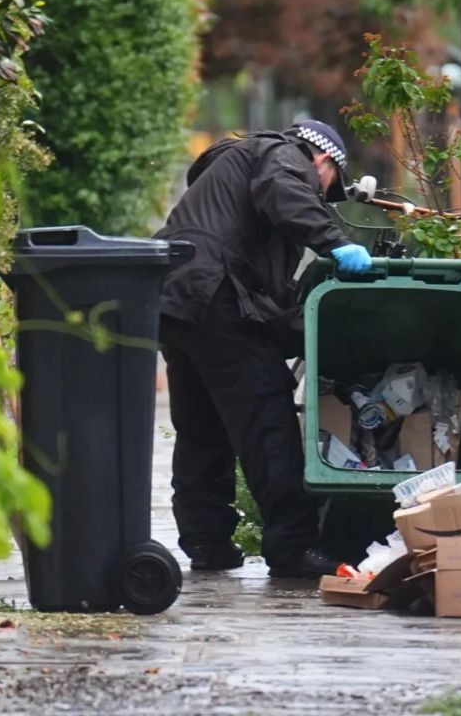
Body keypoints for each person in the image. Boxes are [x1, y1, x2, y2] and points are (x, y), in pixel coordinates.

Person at [156, 120, 371, 578]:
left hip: (175, 296)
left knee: (202, 426)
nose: (321, 193)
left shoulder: (231, 173)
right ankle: (293, 547)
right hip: (214, 294)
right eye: (327, 185)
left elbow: (264, 288)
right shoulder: (281, 154)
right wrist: (336, 244)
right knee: (266, 417)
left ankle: (207, 541)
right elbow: (284, 191)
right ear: (323, 160)